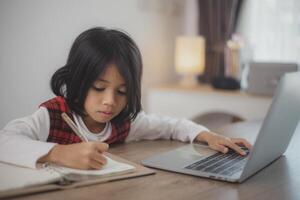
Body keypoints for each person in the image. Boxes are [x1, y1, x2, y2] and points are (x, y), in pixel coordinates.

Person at [0, 27, 252, 170]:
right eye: (99, 87)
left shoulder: (124, 122)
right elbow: (5, 141)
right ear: (77, 80)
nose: (110, 101)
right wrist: (56, 153)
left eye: (122, 91)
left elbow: (172, 125)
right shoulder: (53, 115)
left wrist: (207, 135)